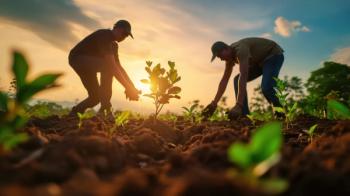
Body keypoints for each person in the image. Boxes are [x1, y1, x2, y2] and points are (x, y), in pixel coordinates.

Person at [68, 20, 140, 116]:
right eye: (124, 33)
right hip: (77, 59)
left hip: (88, 65)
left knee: (95, 97)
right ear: (116, 29)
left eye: (126, 36)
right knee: (108, 67)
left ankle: (74, 114)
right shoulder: (104, 35)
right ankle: (105, 109)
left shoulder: (114, 46)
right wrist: (128, 88)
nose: (124, 37)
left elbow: (119, 67)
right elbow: (112, 67)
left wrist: (131, 87)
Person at [202, 37, 284, 120]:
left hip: (273, 55)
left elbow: (243, 75)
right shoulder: (229, 59)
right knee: (236, 79)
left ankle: (280, 114)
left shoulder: (241, 49)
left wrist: (238, 105)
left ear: (226, 48)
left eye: (220, 55)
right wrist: (214, 103)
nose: (221, 59)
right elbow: (224, 80)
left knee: (266, 87)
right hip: (259, 62)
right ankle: (244, 115)